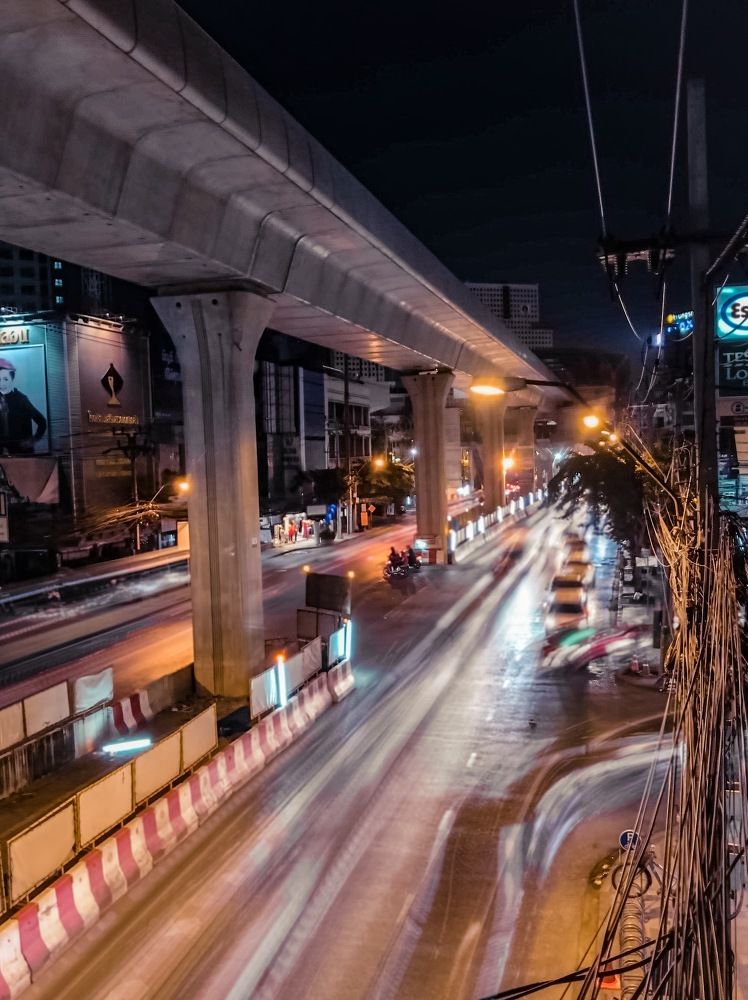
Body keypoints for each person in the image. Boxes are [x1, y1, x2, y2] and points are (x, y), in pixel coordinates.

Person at [0, 357, 47, 455]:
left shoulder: (21, 399)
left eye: (5, 379)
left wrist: (33, 440)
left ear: (12, 379)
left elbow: (41, 421)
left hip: (21, 452)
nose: (1, 383)